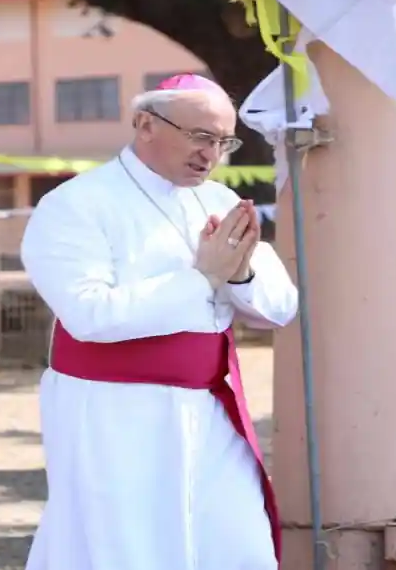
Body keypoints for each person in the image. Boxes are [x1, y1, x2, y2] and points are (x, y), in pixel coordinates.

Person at [20, 73, 299, 570]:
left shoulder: (220, 203)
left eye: (222, 141)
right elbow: (88, 314)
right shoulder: (76, 204)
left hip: (210, 411)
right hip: (112, 413)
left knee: (236, 541)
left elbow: (280, 307)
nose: (210, 155)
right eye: (199, 136)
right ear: (145, 124)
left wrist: (242, 271)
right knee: (123, 546)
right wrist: (201, 277)